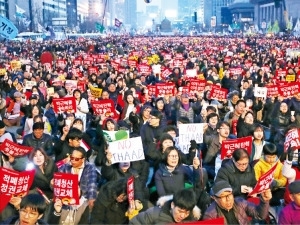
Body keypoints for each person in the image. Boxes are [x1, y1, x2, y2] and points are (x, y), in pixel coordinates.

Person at [56, 147, 98, 225]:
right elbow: (57, 186)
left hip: (82, 201)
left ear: (83, 159)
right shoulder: (64, 167)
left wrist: (91, 199)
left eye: (76, 159)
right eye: (72, 158)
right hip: (66, 200)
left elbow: (92, 185)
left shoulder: (90, 167)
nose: (73, 160)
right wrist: (53, 184)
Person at [203, 180, 272, 224]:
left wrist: (264, 201)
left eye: (230, 194)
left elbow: (260, 215)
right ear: (215, 198)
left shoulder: (240, 202)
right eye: (223, 196)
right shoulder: (210, 215)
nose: (228, 199)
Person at [129, 188, 200, 224]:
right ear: (172, 205)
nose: (182, 216)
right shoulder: (154, 213)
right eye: (180, 211)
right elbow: (134, 222)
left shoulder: (192, 220)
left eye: (186, 213)